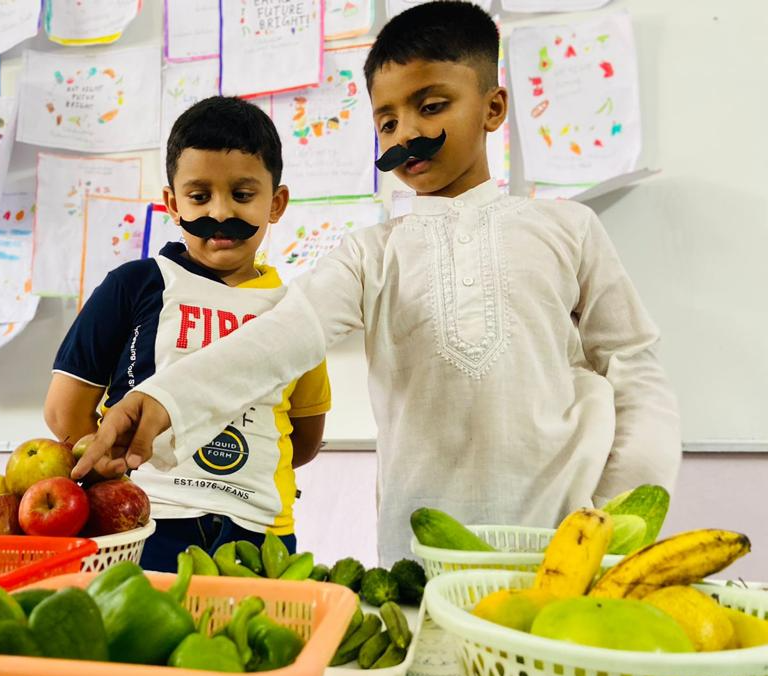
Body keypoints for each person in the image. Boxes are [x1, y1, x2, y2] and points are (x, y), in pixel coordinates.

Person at [73, 2, 681, 566]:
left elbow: (633, 367)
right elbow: (284, 334)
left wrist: (620, 512)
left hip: (570, 541)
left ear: (493, 108)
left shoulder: (569, 229)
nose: (405, 133)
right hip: (422, 556)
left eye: (431, 106)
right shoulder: (370, 254)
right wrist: (164, 400)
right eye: (387, 120)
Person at [47, 96, 331, 570]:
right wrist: (118, 482)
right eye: (200, 197)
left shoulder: (297, 311)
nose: (220, 212)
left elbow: (304, 438)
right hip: (145, 523)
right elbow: (65, 411)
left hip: (262, 532)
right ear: (173, 204)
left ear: (276, 203)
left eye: (243, 195)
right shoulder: (135, 285)